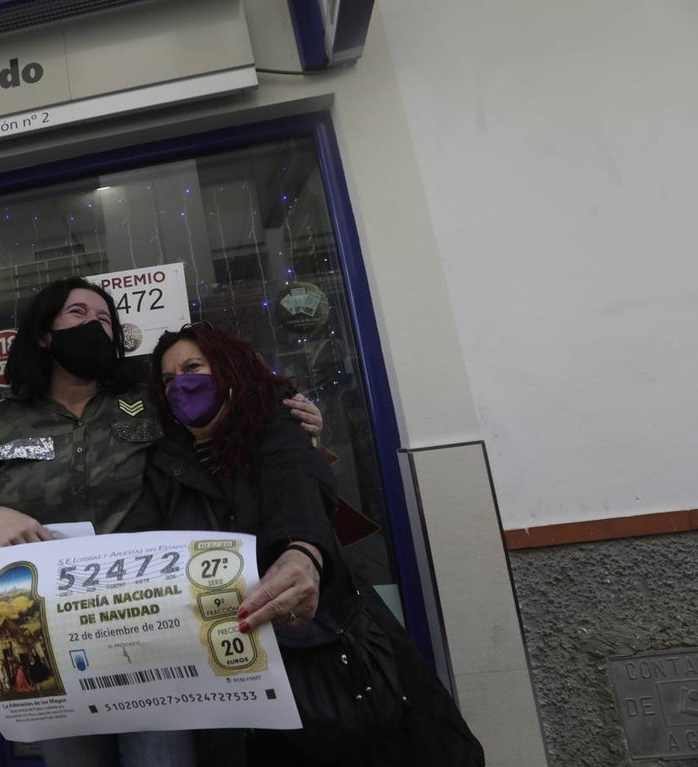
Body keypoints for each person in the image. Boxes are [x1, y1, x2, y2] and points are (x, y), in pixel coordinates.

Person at [0, 278, 322, 767]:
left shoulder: (147, 400)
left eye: (105, 319)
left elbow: (229, 426)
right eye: (78, 313)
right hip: (46, 634)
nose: (95, 325)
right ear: (43, 333)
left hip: (150, 624)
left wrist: (294, 425)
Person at [134, 323, 485, 766]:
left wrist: (302, 552)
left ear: (225, 369)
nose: (181, 384)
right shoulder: (165, 462)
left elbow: (297, 485)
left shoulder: (277, 423)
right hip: (231, 671)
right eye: (168, 379)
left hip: (322, 658)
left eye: (192, 367)